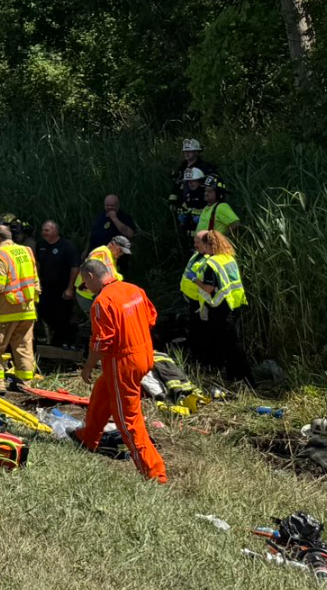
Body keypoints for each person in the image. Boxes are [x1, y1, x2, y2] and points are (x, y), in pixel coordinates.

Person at [75, 259, 168, 483]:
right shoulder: (134, 289)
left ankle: (154, 472)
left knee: (128, 419)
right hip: (144, 354)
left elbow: (101, 343)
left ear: (90, 277)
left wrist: (88, 367)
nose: (86, 289)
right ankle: (88, 437)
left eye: (85, 284)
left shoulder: (102, 302)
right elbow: (151, 318)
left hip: (123, 362)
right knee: (103, 390)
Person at [181, 229, 251, 381]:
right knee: (233, 343)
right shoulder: (228, 257)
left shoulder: (212, 263)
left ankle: (242, 378)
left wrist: (194, 279)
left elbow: (209, 288)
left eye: (200, 244)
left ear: (209, 245)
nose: (199, 248)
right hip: (235, 303)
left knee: (230, 345)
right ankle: (235, 376)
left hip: (222, 309)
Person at [0, 224, 40, 392]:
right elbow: (34, 279)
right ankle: (24, 384)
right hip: (27, 309)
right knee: (23, 347)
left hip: (3, 312)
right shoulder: (26, 251)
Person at [32, 220, 79, 348]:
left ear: (55, 231)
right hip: (45, 287)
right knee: (43, 311)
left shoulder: (67, 246)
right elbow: (38, 264)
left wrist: (70, 288)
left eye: (47, 230)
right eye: (43, 230)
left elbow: (74, 267)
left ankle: (67, 341)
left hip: (63, 288)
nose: (44, 233)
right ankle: (56, 337)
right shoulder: (40, 245)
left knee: (63, 315)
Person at [73, 236, 131, 335]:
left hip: (95, 294)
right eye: (120, 250)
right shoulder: (101, 253)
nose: (121, 254)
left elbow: (111, 275)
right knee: (99, 323)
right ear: (112, 244)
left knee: (103, 322)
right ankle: (94, 347)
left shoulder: (110, 255)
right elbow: (92, 273)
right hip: (87, 294)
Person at [173, 167, 207, 235]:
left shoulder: (206, 195)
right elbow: (183, 207)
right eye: (189, 181)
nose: (191, 183)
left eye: (193, 181)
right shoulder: (186, 195)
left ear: (200, 182)